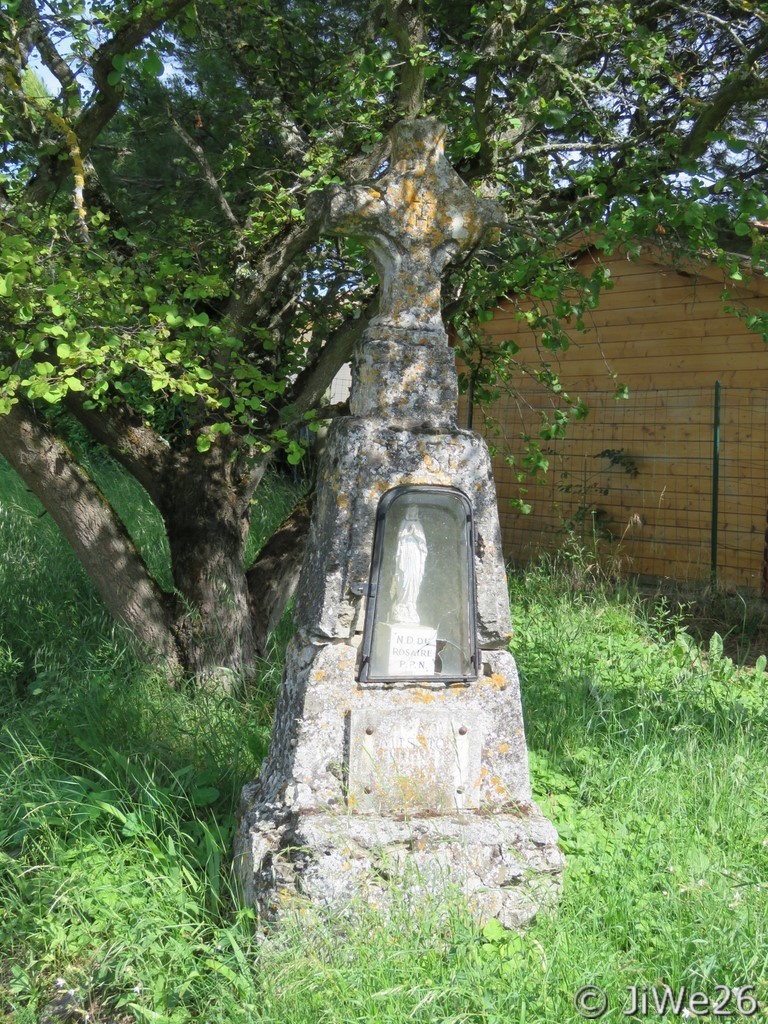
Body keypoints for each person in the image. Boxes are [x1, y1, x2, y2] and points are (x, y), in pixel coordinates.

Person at [390, 506, 428, 623]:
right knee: (404, 579)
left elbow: (423, 543)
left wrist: (416, 534)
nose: (413, 513)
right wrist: (408, 533)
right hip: (405, 555)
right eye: (411, 511)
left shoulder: (419, 525)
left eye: (415, 512)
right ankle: (402, 604)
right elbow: (400, 538)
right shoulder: (404, 523)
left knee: (414, 579)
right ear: (408, 512)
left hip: (416, 556)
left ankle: (411, 604)